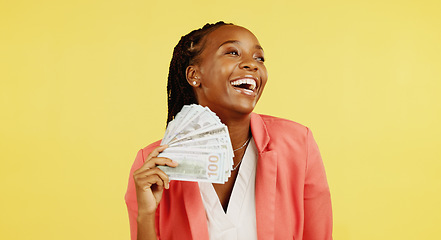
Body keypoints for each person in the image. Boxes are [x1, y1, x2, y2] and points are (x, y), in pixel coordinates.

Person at [125, 21, 333, 240]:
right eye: (232, 52)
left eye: (259, 58)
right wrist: (146, 214)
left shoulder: (299, 145)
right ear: (195, 75)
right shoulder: (153, 165)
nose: (252, 65)